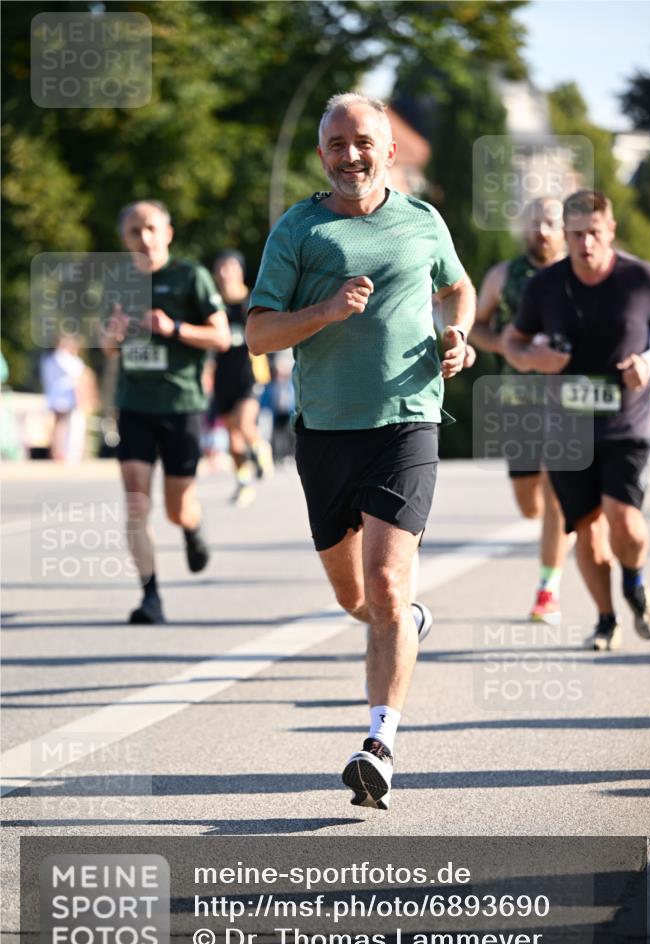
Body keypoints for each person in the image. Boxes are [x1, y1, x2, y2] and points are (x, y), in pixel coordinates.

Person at [246, 93, 475, 810]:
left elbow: (457, 286)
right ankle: (403, 620)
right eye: (337, 144)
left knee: (382, 586)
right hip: (325, 432)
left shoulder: (422, 221)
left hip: (407, 421)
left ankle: (378, 745)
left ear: (389, 150)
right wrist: (323, 310)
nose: (351, 155)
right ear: (322, 155)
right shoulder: (298, 229)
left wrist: (458, 335)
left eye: (363, 142)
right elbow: (257, 335)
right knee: (356, 599)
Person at [503, 189, 650, 650]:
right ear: (565, 237)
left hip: (625, 424)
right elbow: (513, 342)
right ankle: (606, 618)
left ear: (610, 230)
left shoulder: (642, 279)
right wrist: (532, 357)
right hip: (566, 430)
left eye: (594, 233)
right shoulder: (545, 286)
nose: (585, 244)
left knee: (625, 522)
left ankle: (634, 582)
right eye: (576, 235)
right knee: (590, 536)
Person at [101, 200, 230, 624]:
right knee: (136, 502)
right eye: (135, 231)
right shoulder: (118, 282)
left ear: (168, 233)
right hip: (135, 404)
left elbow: (222, 337)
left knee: (177, 507)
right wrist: (115, 335)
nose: (145, 238)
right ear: (125, 239)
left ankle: (191, 528)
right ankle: (150, 597)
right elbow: (107, 346)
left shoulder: (191, 276)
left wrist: (173, 327)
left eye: (152, 228)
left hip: (182, 406)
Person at [470, 197, 569, 624]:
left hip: (568, 400)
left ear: (564, 228)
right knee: (530, 503)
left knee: (555, 495)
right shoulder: (503, 276)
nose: (542, 231)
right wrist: (509, 345)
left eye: (550, 222)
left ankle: (548, 589)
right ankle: (560, 528)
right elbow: (475, 325)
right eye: (534, 223)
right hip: (518, 400)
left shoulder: (579, 275)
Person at [209, 250, 273, 506]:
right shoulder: (213, 306)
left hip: (250, 372)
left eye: (230, 268)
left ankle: (260, 450)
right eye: (221, 269)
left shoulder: (251, 300)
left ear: (240, 271)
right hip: (224, 376)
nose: (226, 274)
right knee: (233, 439)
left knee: (245, 422)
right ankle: (243, 482)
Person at [40, 333, 97, 462]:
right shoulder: (60, 356)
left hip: (59, 395)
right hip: (62, 397)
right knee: (60, 425)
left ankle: (58, 452)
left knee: (60, 425)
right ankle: (58, 452)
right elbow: (80, 371)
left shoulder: (48, 358)